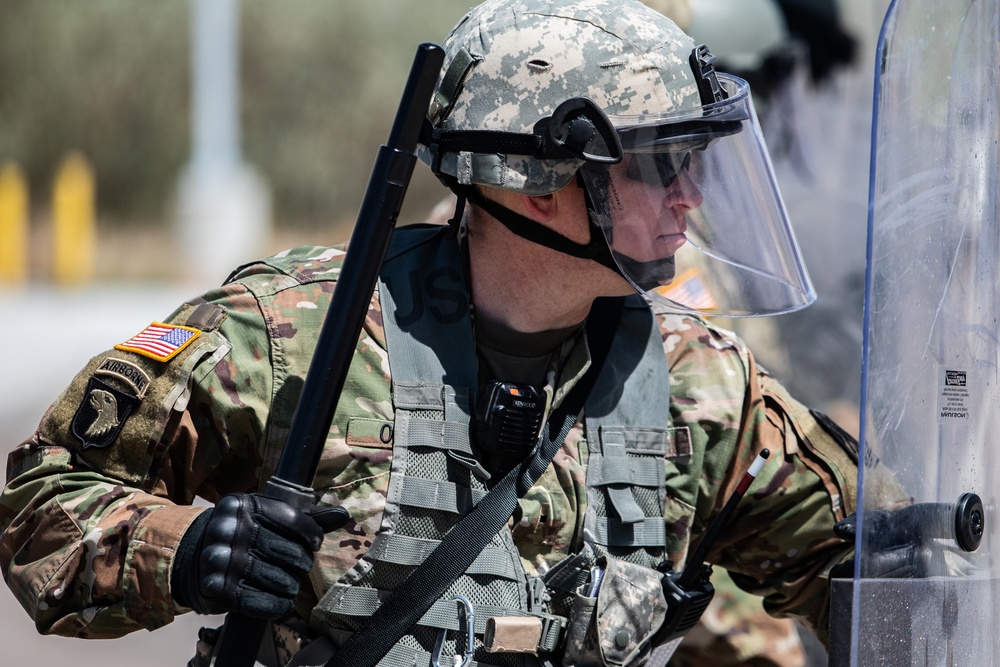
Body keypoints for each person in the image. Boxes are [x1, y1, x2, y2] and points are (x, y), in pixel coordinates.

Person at [0, 1, 860, 666]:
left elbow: (870, 568)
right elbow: (41, 495)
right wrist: (183, 548)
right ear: (540, 184)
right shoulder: (294, 334)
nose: (692, 198)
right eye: (660, 163)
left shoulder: (699, 387)